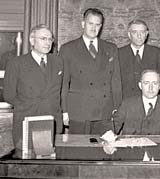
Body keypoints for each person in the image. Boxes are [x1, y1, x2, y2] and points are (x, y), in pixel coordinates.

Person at [3, 24, 63, 158]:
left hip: (52, 123)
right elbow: (8, 95)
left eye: (50, 39)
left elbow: (61, 91)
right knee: (27, 168)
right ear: (32, 40)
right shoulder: (16, 63)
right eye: (43, 38)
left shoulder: (58, 62)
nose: (48, 42)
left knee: (52, 169)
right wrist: (29, 104)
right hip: (27, 121)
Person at [59, 8, 122, 135]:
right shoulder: (68, 49)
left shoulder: (111, 48)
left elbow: (116, 81)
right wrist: (64, 111)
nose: (94, 28)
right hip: (79, 111)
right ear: (83, 24)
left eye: (97, 24)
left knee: (104, 150)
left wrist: (117, 108)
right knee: (80, 151)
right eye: (90, 24)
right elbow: (63, 83)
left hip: (105, 111)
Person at [113, 69, 160, 135]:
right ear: (140, 85)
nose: (150, 87)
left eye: (154, 83)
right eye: (146, 83)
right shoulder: (127, 105)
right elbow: (112, 129)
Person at [119, 19, 160, 99]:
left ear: (146, 34)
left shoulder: (155, 52)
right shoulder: (119, 53)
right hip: (127, 101)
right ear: (129, 34)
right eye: (135, 32)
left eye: (142, 32)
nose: (139, 36)